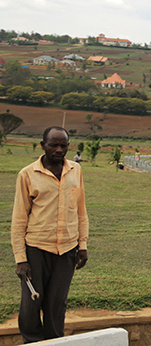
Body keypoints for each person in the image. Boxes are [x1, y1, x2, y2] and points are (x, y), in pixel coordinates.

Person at [11, 126, 89, 343]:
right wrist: (21, 259)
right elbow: (18, 220)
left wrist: (82, 245)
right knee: (31, 303)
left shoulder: (76, 171)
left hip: (67, 250)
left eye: (63, 145)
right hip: (36, 249)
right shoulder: (27, 175)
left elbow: (81, 211)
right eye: (53, 144)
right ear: (42, 145)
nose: (59, 149)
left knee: (57, 304)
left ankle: (54, 342)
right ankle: (32, 341)